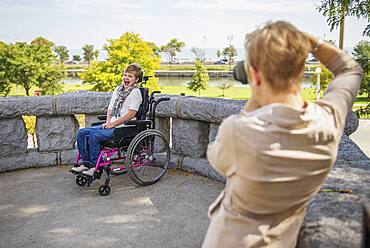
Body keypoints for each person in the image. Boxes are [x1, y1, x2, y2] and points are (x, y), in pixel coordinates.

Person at [202, 21, 363, 248]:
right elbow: (350, 69)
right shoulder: (328, 121)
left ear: (255, 77)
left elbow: (217, 160)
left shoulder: (237, 130)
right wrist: (312, 43)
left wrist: (254, 100)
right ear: (301, 69)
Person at [70, 63, 143, 177]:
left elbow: (131, 114)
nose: (126, 78)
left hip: (124, 127)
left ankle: (96, 168)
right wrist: (108, 122)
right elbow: (110, 108)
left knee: (94, 135)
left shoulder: (135, 92)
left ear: (136, 79)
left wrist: (113, 124)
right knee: (82, 132)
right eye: (125, 75)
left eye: (130, 76)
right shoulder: (118, 90)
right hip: (112, 124)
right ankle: (86, 163)